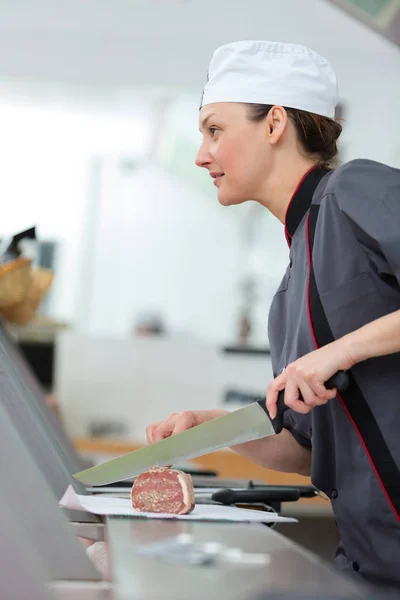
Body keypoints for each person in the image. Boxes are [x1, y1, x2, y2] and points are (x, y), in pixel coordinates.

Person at [146, 41, 400, 592]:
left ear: (274, 123)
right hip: (368, 565)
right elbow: (307, 450)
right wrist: (211, 428)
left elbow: (341, 357)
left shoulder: (354, 191)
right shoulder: (288, 294)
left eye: (214, 130)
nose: (200, 154)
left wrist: (342, 349)